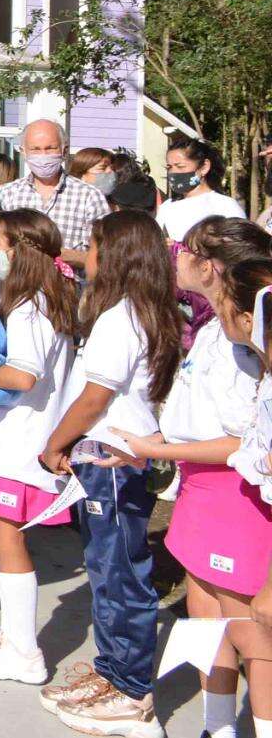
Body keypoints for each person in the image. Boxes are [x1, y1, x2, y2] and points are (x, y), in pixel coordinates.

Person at [32, 212, 183, 733]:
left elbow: (95, 397)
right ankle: (112, 671)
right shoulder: (137, 311)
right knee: (106, 569)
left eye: (91, 246)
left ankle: (131, 690)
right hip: (110, 454)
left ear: (114, 255)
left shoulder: (123, 316)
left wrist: (56, 441)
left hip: (112, 457)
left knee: (121, 574)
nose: (83, 255)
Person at [120, 241, 271, 738]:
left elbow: (238, 439)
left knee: (250, 631)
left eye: (186, 251)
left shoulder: (250, 356)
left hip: (236, 495)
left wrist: (156, 451)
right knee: (204, 614)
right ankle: (218, 726)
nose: (175, 259)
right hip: (199, 491)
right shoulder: (214, 330)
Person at [0, 210, 80, 672]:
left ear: (17, 252)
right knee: (5, 539)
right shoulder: (54, 296)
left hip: (20, 441)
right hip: (20, 437)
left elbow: (24, 375)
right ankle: (10, 635)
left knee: (7, 543)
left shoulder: (31, 308)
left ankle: (25, 651)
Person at [0, 119, 108, 268]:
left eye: (50, 148)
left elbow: (108, 256)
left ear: (64, 150)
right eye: (35, 149)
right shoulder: (7, 194)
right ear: (23, 152)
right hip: (19, 288)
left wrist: (76, 258)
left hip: (69, 288)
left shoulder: (89, 196)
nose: (43, 155)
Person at [157, 136, 246, 242]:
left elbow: (239, 249)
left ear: (204, 167)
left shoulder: (225, 206)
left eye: (180, 166)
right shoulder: (167, 207)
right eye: (169, 167)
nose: (173, 173)